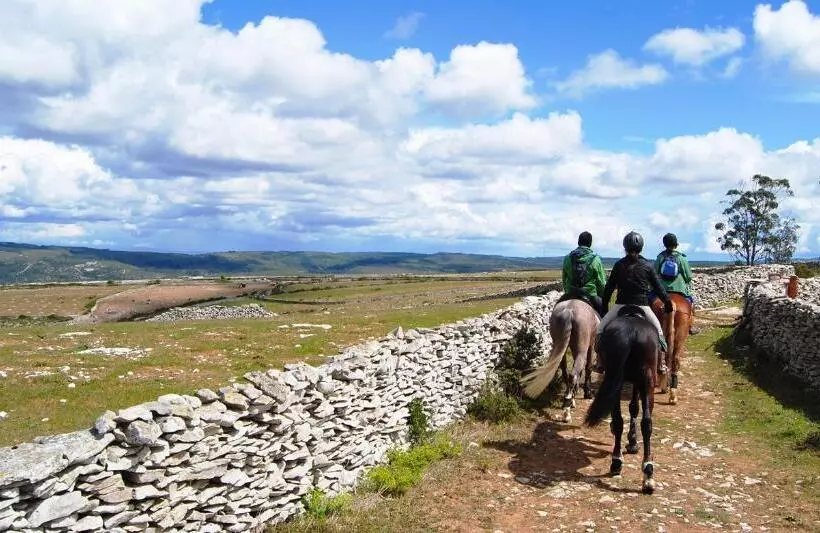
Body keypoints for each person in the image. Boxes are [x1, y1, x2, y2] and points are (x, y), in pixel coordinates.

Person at [595, 231, 673, 374]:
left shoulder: (619, 265)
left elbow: (609, 288)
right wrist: (667, 302)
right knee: (659, 333)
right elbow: (659, 287)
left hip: (620, 306)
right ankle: (661, 363)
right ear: (641, 248)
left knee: (600, 330)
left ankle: (600, 362)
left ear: (625, 247)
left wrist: (605, 306)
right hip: (642, 306)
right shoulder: (648, 265)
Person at [653, 233, 699, 335]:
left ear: (664, 244)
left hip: (661, 291)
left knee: (649, 301)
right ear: (676, 244)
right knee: (690, 303)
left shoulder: (660, 257)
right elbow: (688, 277)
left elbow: (654, 274)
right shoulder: (681, 258)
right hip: (680, 290)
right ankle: (691, 326)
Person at [559, 231, 607, 316]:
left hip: (571, 292)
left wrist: (568, 291)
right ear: (590, 244)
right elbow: (601, 282)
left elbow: (564, 278)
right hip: (590, 294)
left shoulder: (567, 258)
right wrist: (601, 295)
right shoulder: (595, 259)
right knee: (604, 316)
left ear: (578, 242)